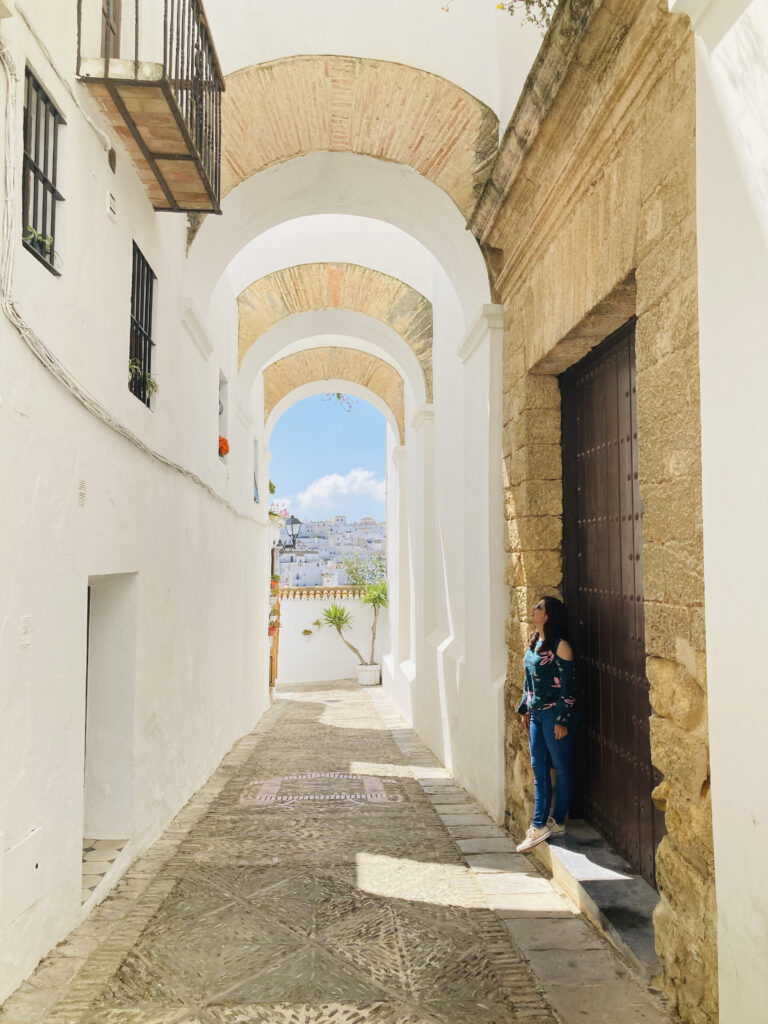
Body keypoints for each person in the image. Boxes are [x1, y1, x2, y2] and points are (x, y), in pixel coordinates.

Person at [515, 595, 577, 853]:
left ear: (549, 615)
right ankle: (540, 823)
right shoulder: (534, 641)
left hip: (554, 715)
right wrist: (524, 708)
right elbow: (528, 680)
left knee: (561, 768)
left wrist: (562, 720)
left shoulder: (561, 646)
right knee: (538, 768)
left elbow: (568, 686)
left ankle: (553, 821)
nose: (533, 610)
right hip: (536, 715)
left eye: (538, 608)